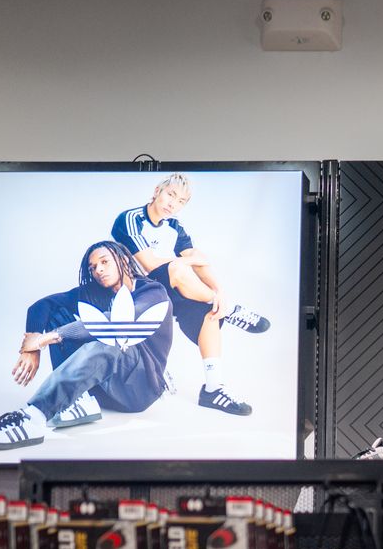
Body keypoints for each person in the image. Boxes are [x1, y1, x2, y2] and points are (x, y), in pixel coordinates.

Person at [0, 241, 174, 450]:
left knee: (111, 339)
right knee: (57, 314)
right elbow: (43, 305)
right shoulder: (96, 293)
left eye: (104, 262)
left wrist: (47, 338)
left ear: (123, 260)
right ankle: (79, 400)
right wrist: (31, 348)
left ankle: (33, 418)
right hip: (105, 389)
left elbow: (117, 323)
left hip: (139, 389)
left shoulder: (153, 292)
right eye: (93, 267)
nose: (99, 270)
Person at [110, 173, 270, 418]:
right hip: (136, 292)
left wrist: (220, 293)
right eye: (170, 194)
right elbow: (151, 264)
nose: (173, 203)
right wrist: (188, 260)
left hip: (168, 290)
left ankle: (213, 389)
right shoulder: (130, 218)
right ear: (157, 191)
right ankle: (232, 310)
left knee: (210, 313)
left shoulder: (174, 226)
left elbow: (200, 260)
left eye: (181, 201)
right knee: (178, 267)